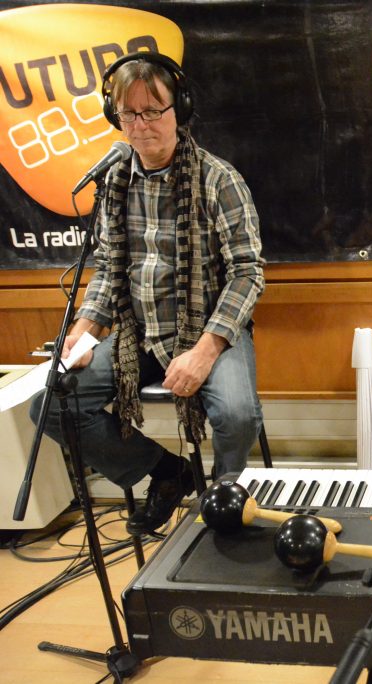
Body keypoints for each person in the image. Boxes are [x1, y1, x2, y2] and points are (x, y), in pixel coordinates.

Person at [30, 52, 265, 535]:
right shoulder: (114, 182)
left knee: (237, 415)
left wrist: (204, 351)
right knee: (51, 405)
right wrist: (84, 333)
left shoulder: (218, 179)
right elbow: (108, 270)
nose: (140, 126)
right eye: (128, 114)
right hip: (139, 334)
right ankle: (167, 474)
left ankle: (224, 502)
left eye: (152, 111)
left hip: (209, 330)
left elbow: (247, 273)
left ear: (180, 110)